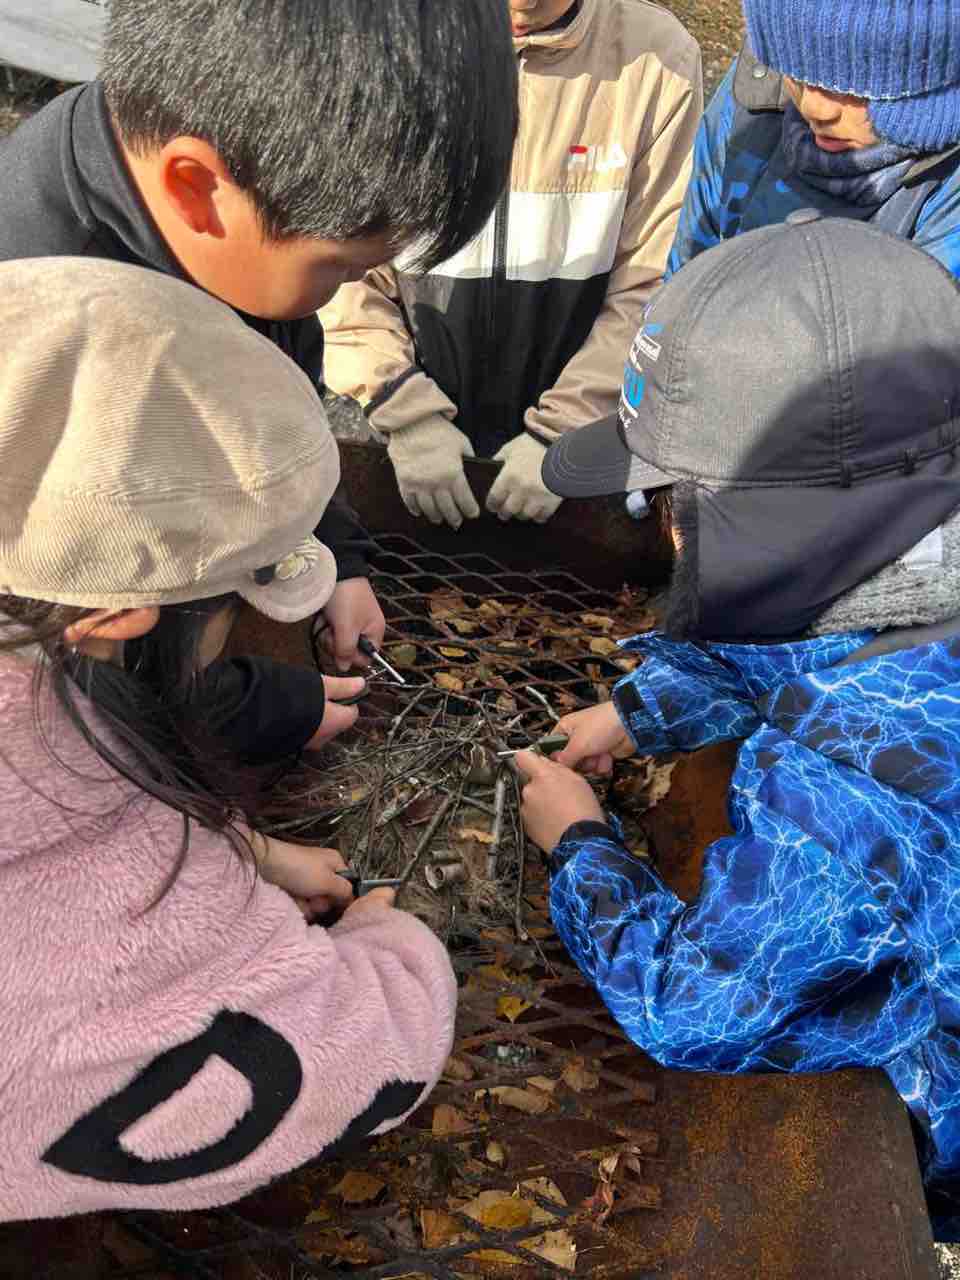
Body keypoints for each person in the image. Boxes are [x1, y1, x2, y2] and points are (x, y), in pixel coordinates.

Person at [519, 214, 960, 1235]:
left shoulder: (852, 782)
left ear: (765, 525)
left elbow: (697, 1006)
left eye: (669, 500)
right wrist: (637, 713)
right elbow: (811, 643)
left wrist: (579, 843)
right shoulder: (912, 565)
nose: (661, 524)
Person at [0, 255, 456, 1220]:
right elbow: (357, 1062)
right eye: (230, 601)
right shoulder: (94, 888)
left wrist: (244, 851)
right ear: (116, 616)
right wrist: (393, 941)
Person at [0, 0, 517, 758]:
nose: (346, 290)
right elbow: (69, 656)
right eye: (338, 267)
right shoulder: (52, 333)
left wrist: (337, 558)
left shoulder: (223, 168)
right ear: (197, 189)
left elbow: (275, 396)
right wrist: (257, 708)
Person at [318, 0, 702, 528]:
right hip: (408, 443)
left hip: (575, 448)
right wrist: (404, 410)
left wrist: (564, 428)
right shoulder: (379, 33)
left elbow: (655, 276)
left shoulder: (658, 57)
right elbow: (334, 256)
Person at [667, 0, 960, 281]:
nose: (814, 109)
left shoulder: (949, 191)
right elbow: (684, 279)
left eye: (852, 84)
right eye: (797, 73)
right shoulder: (757, 88)